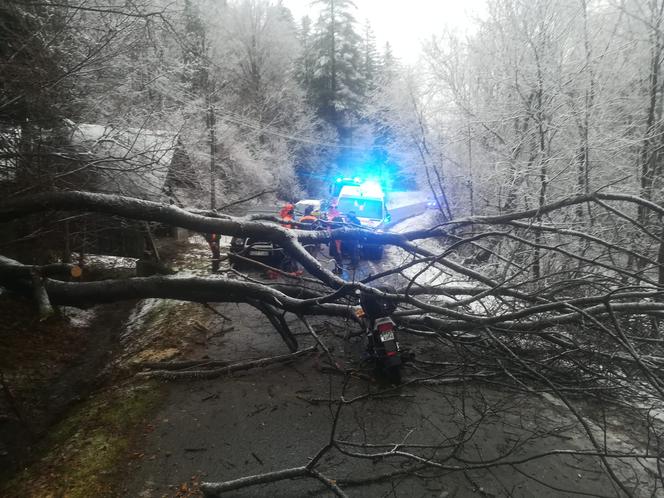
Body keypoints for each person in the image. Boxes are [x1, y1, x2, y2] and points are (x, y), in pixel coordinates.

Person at [326, 201, 343, 274]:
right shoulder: (332, 216)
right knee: (335, 254)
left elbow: (332, 227)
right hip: (334, 238)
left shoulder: (337, 218)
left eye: (334, 207)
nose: (332, 209)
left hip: (336, 239)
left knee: (337, 253)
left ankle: (339, 269)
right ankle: (337, 269)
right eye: (331, 207)